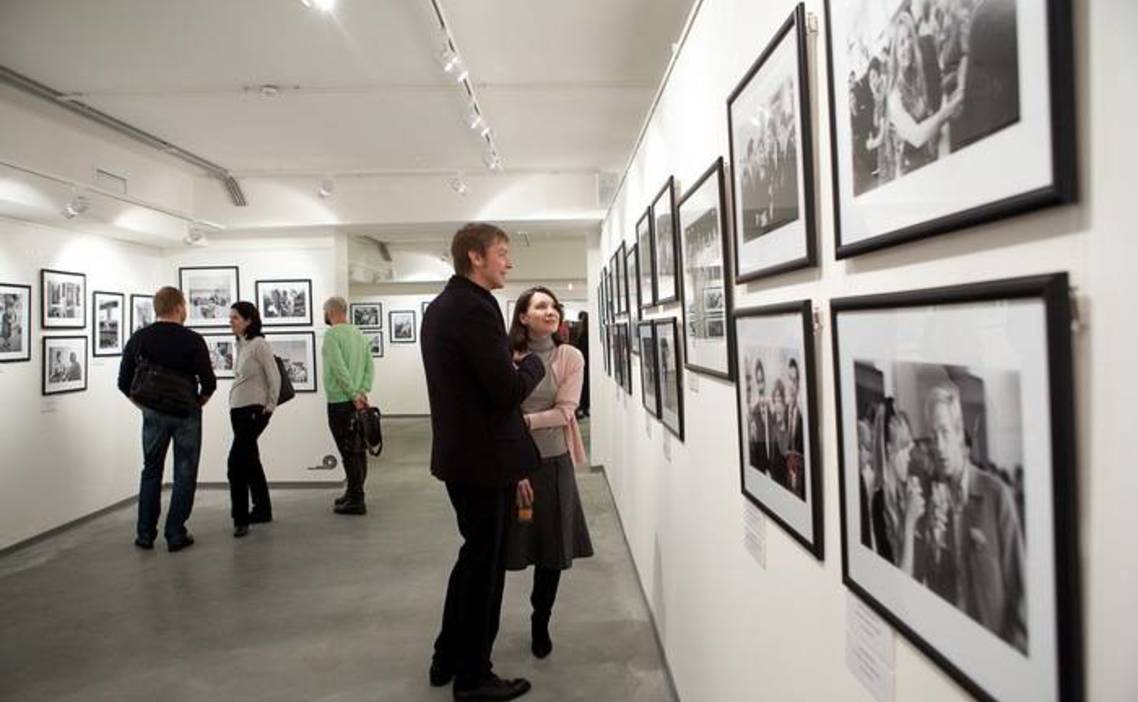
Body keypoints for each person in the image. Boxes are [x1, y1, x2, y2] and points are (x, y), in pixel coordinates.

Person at [421, 222, 545, 702]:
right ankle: (473, 677)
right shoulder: (475, 308)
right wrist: (535, 360)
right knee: (485, 568)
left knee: (473, 560)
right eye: (502, 253)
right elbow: (506, 390)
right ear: (475, 256)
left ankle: (447, 657)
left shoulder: (443, 307)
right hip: (483, 460)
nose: (508, 263)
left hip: (463, 457)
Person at [504, 287, 594, 660]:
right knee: (503, 547)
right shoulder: (506, 356)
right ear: (523, 317)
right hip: (511, 465)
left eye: (553, 305)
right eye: (540, 306)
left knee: (551, 550)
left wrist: (521, 421)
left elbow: (566, 411)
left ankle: (540, 621)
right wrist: (517, 433)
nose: (550, 311)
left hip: (553, 462)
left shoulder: (569, 356)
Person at [922, 382, 1027, 652]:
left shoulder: (996, 496)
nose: (940, 446)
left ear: (959, 433)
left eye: (945, 432)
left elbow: (1023, 596)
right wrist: (933, 549)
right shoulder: (935, 502)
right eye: (934, 437)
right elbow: (937, 593)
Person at [117, 286, 216, 552]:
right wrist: (197, 403)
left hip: (153, 414)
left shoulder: (140, 338)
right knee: (184, 473)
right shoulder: (193, 340)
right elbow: (209, 383)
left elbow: (124, 383)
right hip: (186, 414)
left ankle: (145, 534)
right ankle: (175, 533)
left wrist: (146, 406)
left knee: (151, 471)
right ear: (179, 306)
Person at [226, 301, 281, 538]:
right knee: (250, 460)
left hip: (253, 411)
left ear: (248, 320)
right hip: (238, 411)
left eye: (235, 317)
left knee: (235, 465)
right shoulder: (241, 344)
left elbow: (274, 376)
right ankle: (262, 509)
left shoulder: (259, 344)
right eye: (231, 318)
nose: (231, 321)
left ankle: (241, 519)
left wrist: (269, 407)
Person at [886, 10, 962, 176]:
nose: (907, 46)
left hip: (933, 158)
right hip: (913, 171)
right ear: (894, 51)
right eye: (901, 42)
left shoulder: (919, 74)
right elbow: (917, 136)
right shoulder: (894, 96)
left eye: (909, 38)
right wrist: (946, 112)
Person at [321, 296, 374, 515]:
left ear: (331, 312)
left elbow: (338, 367)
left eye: (324, 312)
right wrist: (362, 392)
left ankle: (356, 500)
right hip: (357, 401)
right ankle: (353, 492)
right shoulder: (359, 334)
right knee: (358, 449)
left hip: (340, 402)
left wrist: (352, 394)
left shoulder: (332, 335)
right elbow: (370, 367)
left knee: (348, 451)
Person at [869, 399, 924, 575]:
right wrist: (910, 521)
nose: (909, 458)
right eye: (905, 449)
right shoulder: (879, 501)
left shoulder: (905, 492)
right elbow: (897, 578)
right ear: (889, 449)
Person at [572, 311, 590, 418]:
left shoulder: (580, 334)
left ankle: (583, 408)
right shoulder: (584, 335)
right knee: (584, 387)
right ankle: (584, 408)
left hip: (583, 363)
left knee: (583, 387)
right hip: (585, 364)